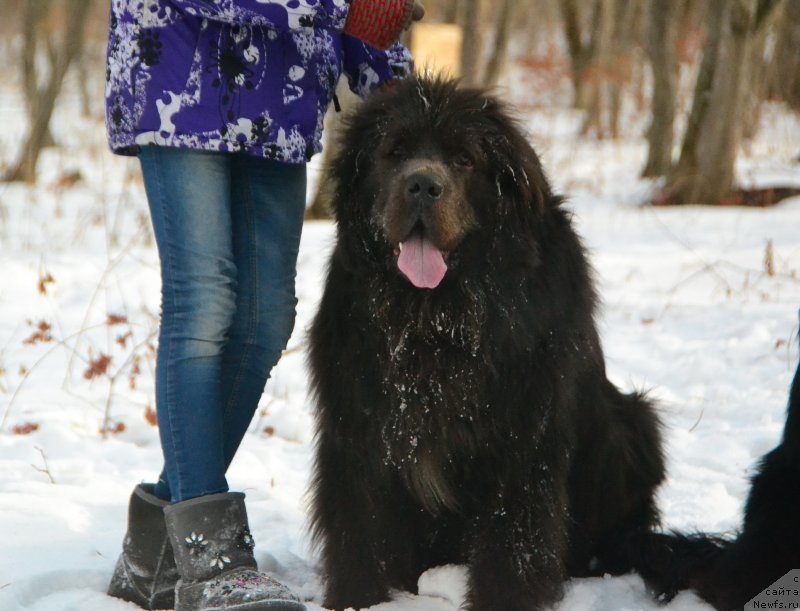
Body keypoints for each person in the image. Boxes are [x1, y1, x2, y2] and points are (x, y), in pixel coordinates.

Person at [104, 1, 422, 609]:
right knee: (204, 303)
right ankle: (210, 557)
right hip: (181, 72)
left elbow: (366, 19)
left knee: (265, 319)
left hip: (281, 95)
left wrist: (398, 86)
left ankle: (154, 549)